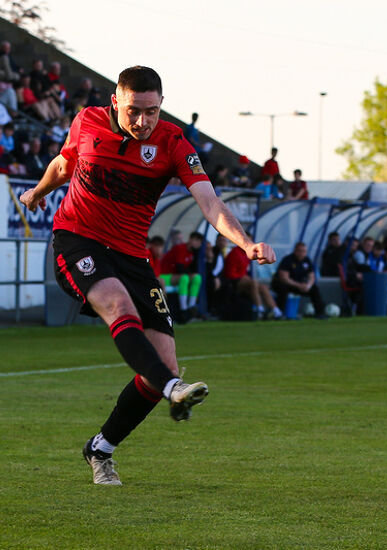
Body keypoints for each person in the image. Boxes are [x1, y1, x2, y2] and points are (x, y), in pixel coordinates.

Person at [19, 66, 276, 486]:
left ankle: (100, 448)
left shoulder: (173, 142)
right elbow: (63, 166)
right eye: (135, 110)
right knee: (119, 307)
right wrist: (37, 192)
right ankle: (173, 388)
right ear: (116, 100)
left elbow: (209, 203)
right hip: (78, 240)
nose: (143, 122)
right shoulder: (87, 121)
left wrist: (245, 244)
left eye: (152, 111)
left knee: (161, 364)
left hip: (132, 256)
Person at [223, 244, 283, 319]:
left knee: (263, 287)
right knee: (254, 283)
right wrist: (244, 278)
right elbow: (230, 273)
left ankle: (276, 312)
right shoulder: (235, 253)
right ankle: (260, 310)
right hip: (233, 282)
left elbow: (244, 271)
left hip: (243, 280)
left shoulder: (246, 254)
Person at [272, 242, 326, 318]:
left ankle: (320, 313)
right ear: (295, 251)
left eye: (304, 251)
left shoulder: (307, 260)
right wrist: (299, 285)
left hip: (300, 285)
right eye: (300, 251)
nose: (301, 253)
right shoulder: (288, 260)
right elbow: (284, 278)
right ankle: (280, 314)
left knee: (314, 289)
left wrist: (308, 286)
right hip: (287, 284)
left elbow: (312, 276)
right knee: (282, 289)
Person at [160, 231, 204, 319]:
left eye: (199, 242)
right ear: (190, 240)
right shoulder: (180, 248)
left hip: (175, 277)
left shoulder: (192, 253)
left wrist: (196, 254)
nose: (197, 243)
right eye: (195, 240)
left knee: (197, 278)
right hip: (163, 276)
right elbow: (179, 268)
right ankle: (183, 310)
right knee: (185, 278)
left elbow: (194, 270)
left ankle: (191, 307)